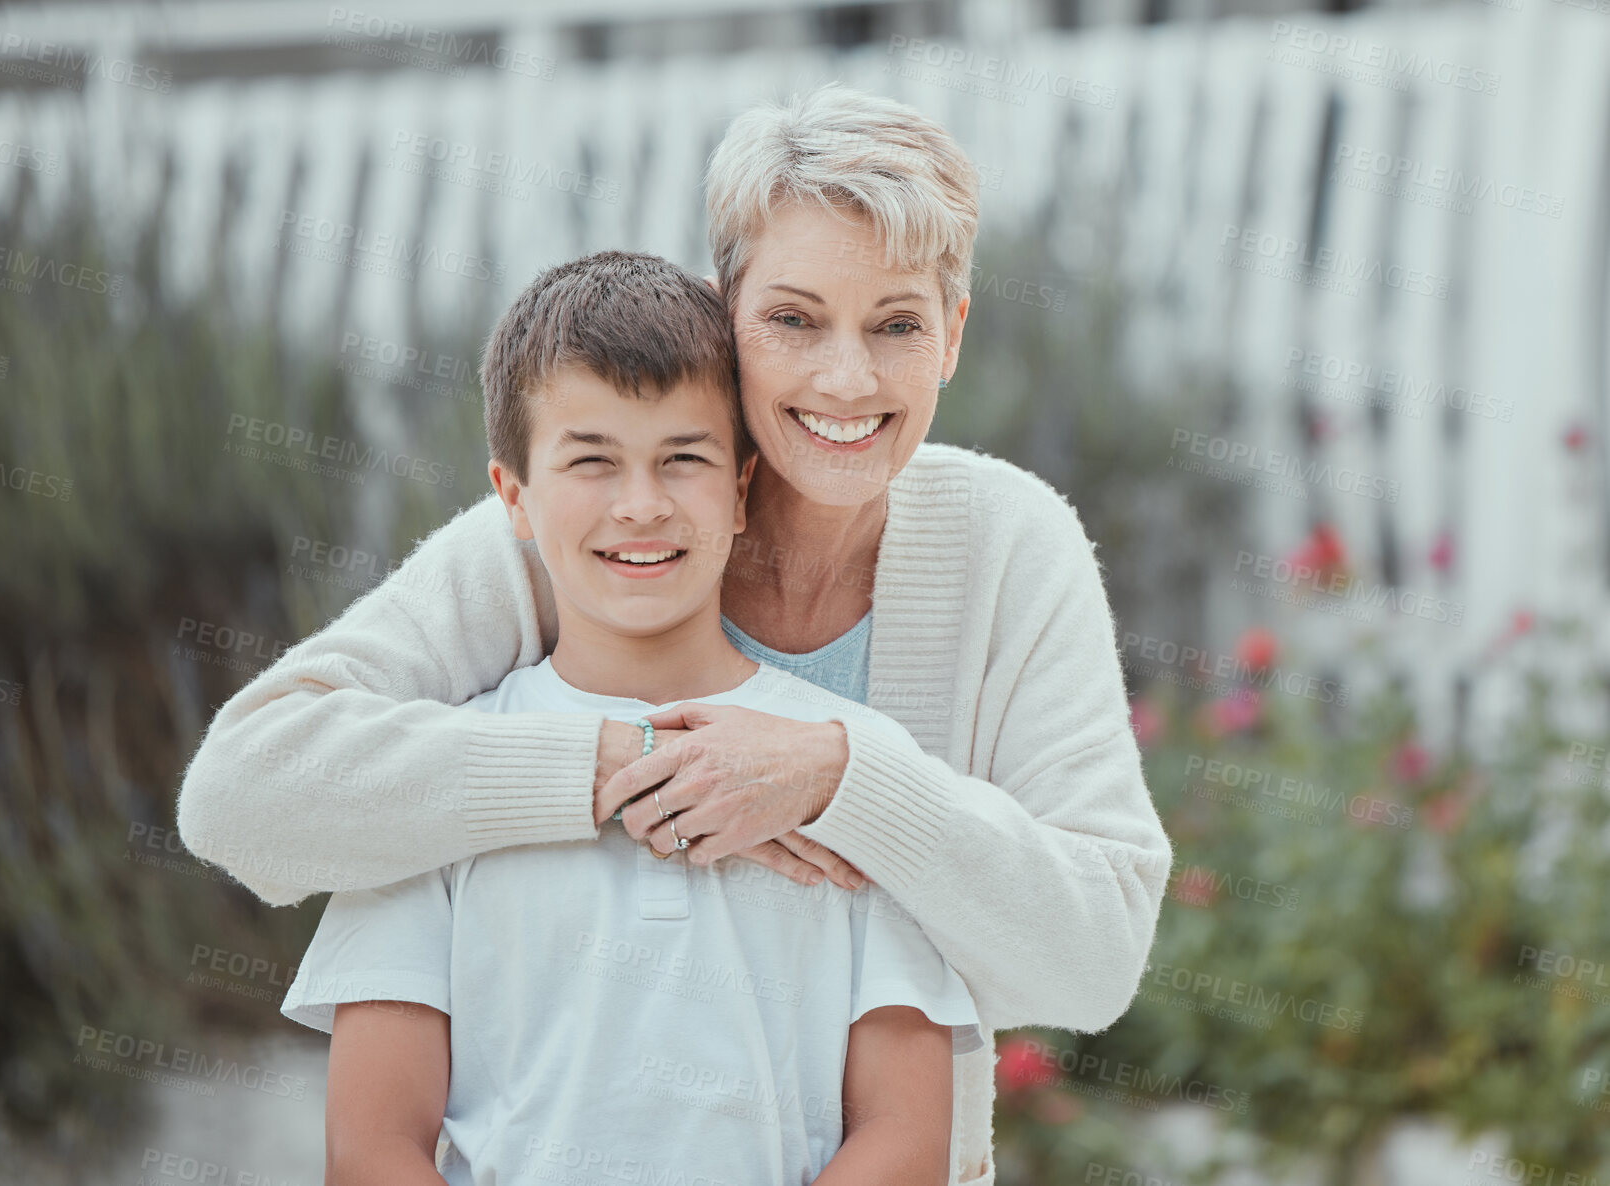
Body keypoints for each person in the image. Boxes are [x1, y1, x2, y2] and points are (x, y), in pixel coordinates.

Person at [178, 82, 1173, 1186]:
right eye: (792, 319)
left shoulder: (1007, 545)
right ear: (724, 309)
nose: (846, 380)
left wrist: (845, 778)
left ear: (950, 336)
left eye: (895, 324)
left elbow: (1091, 962)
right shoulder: (565, 535)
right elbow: (242, 800)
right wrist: (624, 760)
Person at [279, 250, 979, 1185]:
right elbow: (372, 1149)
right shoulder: (433, 784)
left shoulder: (846, 766)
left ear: (739, 492)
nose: (640, 505)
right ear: (514, 499)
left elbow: (903, 1138)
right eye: (592, 461)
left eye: (682, 459)